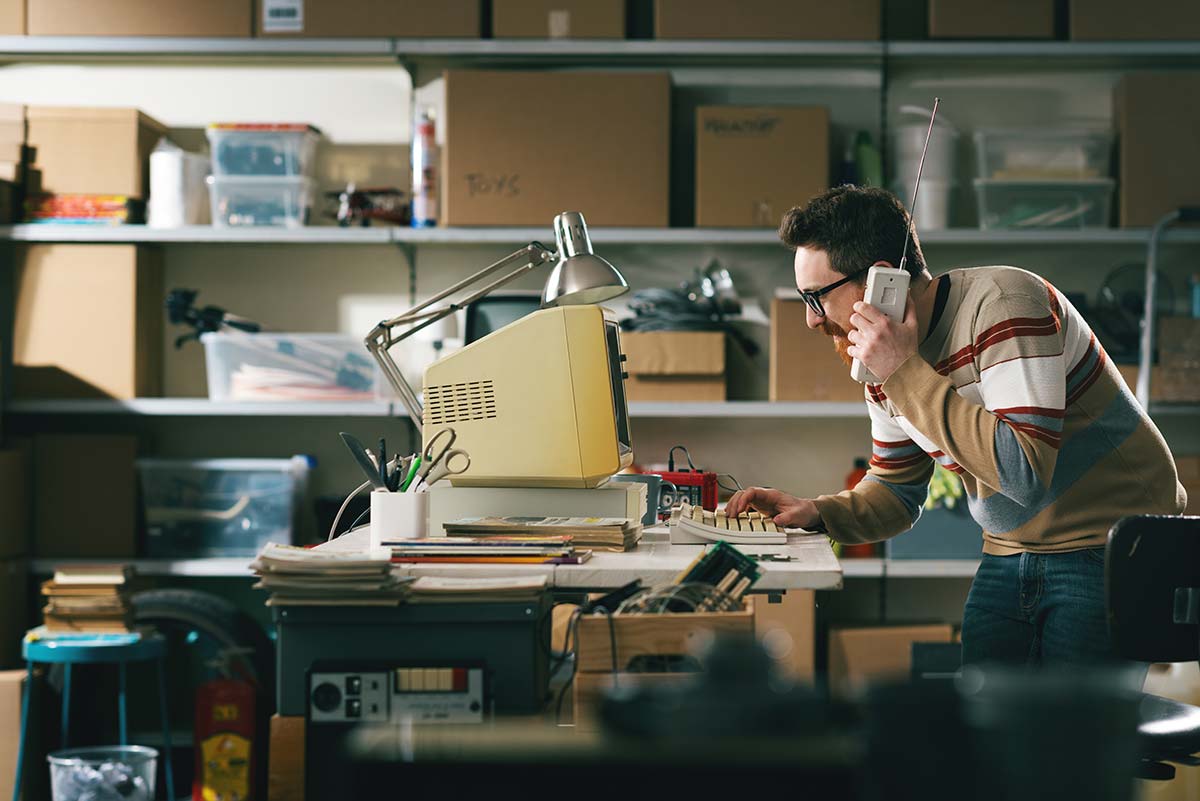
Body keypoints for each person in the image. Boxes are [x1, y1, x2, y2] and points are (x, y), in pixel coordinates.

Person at [725, 185, 1186, 666]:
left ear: (883, 281)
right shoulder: (884, 365)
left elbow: (1023, 475)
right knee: (982, 726)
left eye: (816, 297)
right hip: (1009, 550)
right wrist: (817, 512)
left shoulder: (1007, 305)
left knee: (1063, 736)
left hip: (1111, 548)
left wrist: (904, 371)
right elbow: (897, 493)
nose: (809, 321)